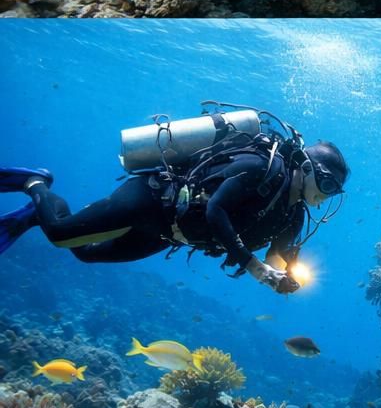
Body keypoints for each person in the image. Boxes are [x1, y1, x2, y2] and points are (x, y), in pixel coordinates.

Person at [0, 121, 348, 296]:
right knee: (60, 234)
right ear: (305, 168)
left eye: (334, 192)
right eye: (327, 184)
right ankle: (36, 182)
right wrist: (254, 267)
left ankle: (32, 215)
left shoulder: (293, 215)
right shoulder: (260, 169)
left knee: (85, 253)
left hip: (169, 234)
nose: (326, 196)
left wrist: (283, 277)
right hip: (151, 200)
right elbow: (215, 210)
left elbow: (275, 256)